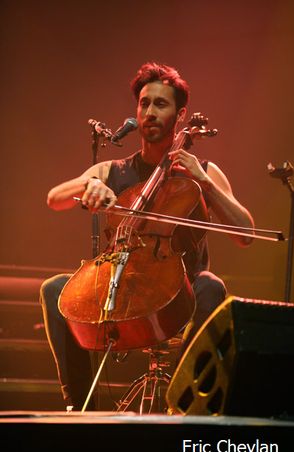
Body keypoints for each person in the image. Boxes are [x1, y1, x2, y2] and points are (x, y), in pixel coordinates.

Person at [40, 62, 254, 411]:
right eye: (144, 103)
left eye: (161, 104)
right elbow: (54, 197)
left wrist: (203, 181)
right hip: (121, 282)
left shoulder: (205, 172)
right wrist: (89, 183)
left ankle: (184, 404)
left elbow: (244, 233)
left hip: (180, 292)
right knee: (54, 290)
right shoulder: (113, 170)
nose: (150, 111)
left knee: (212, 286)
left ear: (180, 114)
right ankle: (78, 408)